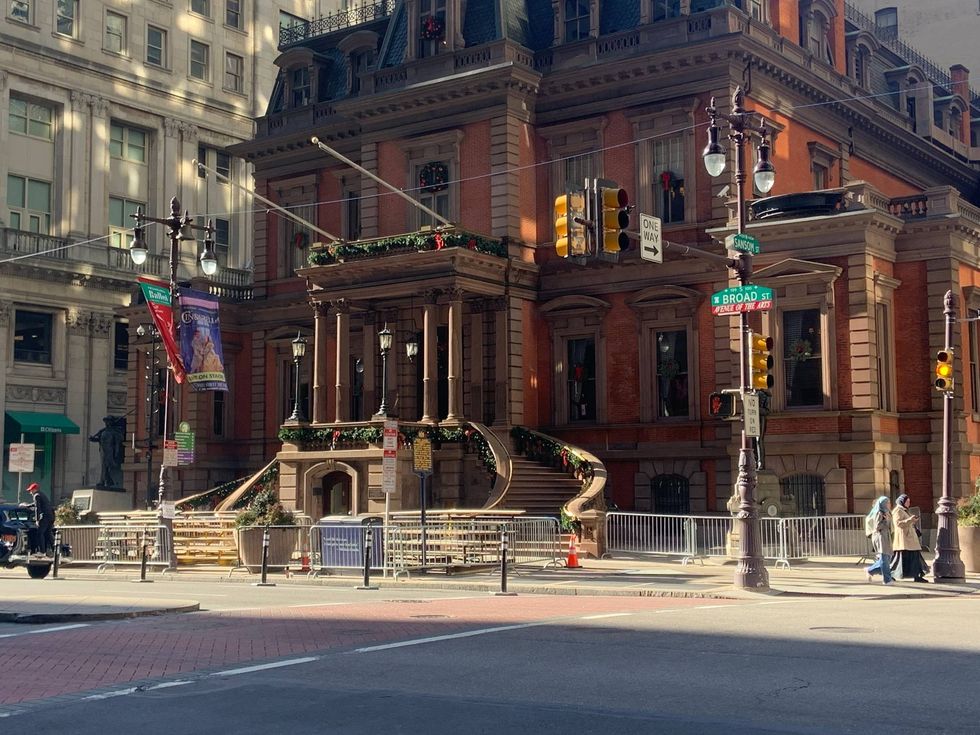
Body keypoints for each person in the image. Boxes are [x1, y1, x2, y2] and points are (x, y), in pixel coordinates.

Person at [890, 494, 929, 583]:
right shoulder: (898, 511)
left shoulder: (905, 510)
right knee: (900, 559)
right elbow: (898, 524)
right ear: (902, 502)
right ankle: (891, 574)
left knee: (915, 557)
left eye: (909, 502)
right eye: (907, 501)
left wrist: (913, 520)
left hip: (910, 538)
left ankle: (917, 575)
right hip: (904, 538)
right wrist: (910, 520)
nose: (908, 503)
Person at [864, 495, 893, 584]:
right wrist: (885, 521)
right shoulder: (879, 513)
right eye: (887, 502)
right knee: (884, 558)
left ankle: (870, 570)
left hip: (886, 536)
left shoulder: (887, 512)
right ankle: (887, 579)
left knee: (887, 558)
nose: (889, 504)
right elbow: (877, 526)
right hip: (880, 536)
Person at [89, 416, 124, 489]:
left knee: (110, 466)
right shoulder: (103, 431)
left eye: (108, 421)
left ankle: (109, 481)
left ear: (112, 422)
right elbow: (97, 439)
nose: (107, 423)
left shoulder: (116, 431)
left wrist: (116, 453)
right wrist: (92, 438)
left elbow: (118, 442)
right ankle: (105, 481)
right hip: (103, 451)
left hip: (111, 451)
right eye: (106, 422)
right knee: (104, 466)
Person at [24, 482, 54, 555]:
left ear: (34, 489)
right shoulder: (41, 494)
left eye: (31, 490)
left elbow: (37, 508)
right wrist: (27, 505)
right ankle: (56, 550)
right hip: (51, 516)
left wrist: (37, 520)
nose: (30, 492)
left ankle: (41, 551)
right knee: (48, 533)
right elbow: (36, 504)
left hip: (45, 516)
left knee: (39, 533)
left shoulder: (36, 495)